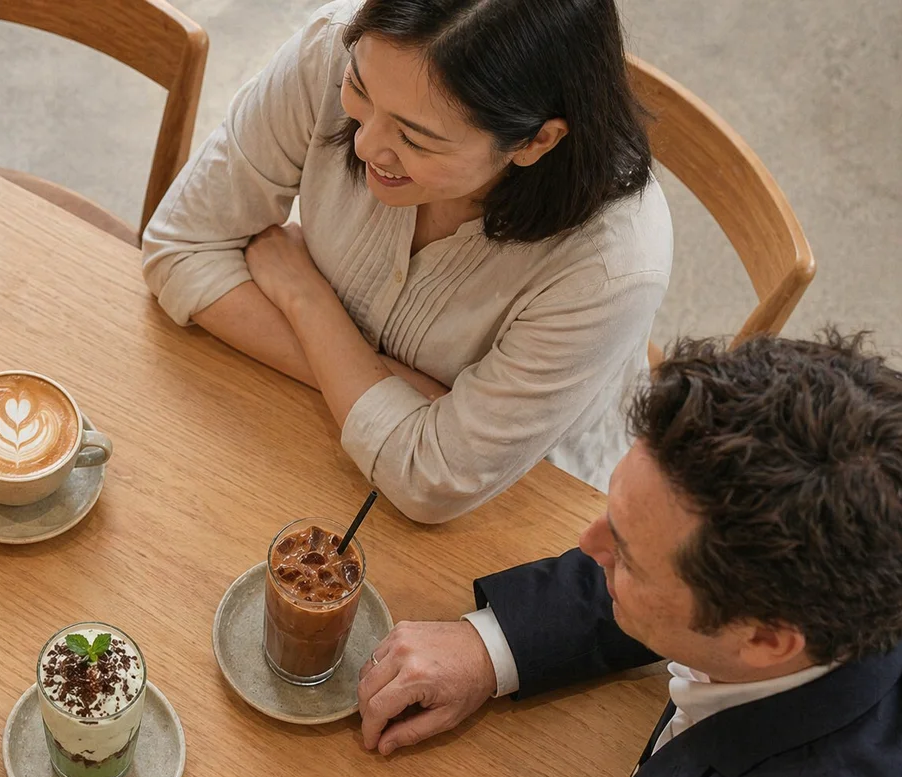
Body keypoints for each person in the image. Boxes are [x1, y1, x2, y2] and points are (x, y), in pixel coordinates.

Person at [356, 333, 902, 777]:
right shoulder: (848, 559)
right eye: (610, 509)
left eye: (632, 561)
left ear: (764, 638)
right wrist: (493, 647)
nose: (589, 544)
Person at [142, 0, 671, 524]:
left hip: (525, 509)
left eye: (414, 137)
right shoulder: (337, 45)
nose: (367, 143)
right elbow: (180, 247)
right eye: (359, 91)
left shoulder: (610, 265)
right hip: (304, 436)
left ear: (536, 141)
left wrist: (305, 298)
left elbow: (433, 480)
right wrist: (401, 397)